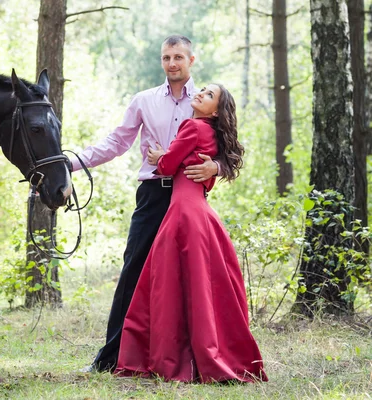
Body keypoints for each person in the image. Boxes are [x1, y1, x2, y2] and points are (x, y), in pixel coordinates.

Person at [71, 35, 220, 373]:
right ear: (162, 60)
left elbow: (229, 146)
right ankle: (109, 358)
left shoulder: (207, 101)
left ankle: (190, 359)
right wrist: (72, 163)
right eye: (167, 57)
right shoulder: (144, 100)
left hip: (190, 196)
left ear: (191, 59)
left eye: (179, 56)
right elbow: (116, 142)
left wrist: (217, 167)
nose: (172, 63)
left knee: (188, 276)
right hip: (153, 195)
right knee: (134, 272)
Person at [114, 83, 268, 383]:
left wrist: (160, 157)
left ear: (216, 111)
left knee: (165, 282)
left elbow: (169, 166)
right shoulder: (210, 132)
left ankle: (169, 355)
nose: (201, 95)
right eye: (203, 91)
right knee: (199, 283)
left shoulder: (193, 126)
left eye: (209, 95)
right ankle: (206, 353)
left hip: (183, 211)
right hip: (200, 210)